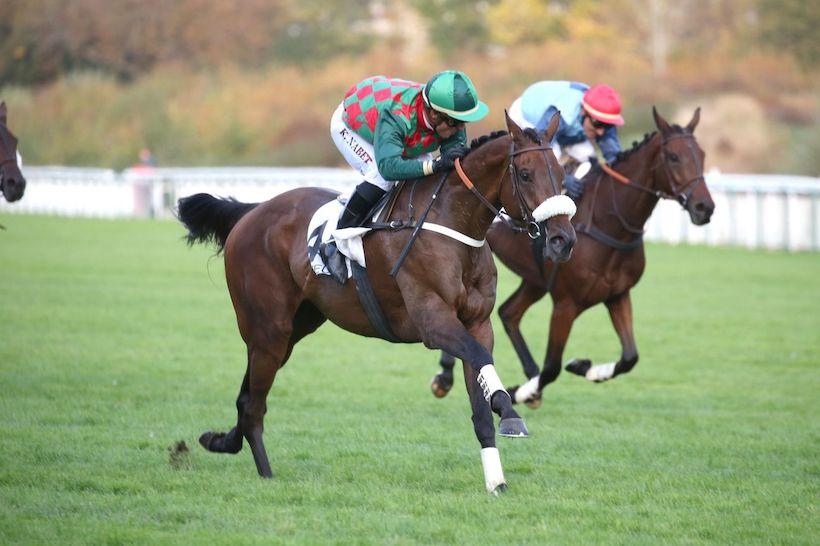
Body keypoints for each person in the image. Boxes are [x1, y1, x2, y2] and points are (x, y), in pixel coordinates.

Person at [321, 70, 489, 283]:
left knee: (426, 175)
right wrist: (434, 165)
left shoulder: (444, 116)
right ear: (435, 115)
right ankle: (337, 242)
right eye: (456, 122)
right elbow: (389, 167)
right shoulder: (397, 115)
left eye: (465, 122)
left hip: (403, 134)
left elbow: (451, 165)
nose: (461, 128)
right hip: (354, 126)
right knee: (382, 178)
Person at [508, 81, 624, 201]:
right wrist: (563, 178)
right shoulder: (563, 111)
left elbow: (615, 158)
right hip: (528, 117)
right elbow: (540, 147)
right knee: (553, 156)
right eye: (598, 124)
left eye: (607, 125)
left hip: (567, 131)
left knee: (588, 157)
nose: (601, 132)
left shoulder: (602, 118)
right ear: (583, 111)